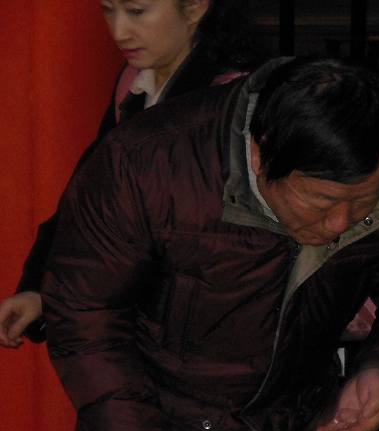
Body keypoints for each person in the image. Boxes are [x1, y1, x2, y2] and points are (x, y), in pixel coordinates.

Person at [41, 57, 379, 431]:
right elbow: (86, 318)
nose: (340, 223)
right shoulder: (144, 164)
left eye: (364, 203)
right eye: (322, 202)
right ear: (260, 156)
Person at [0, 0, 265, 349]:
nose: (118, 31)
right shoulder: (133, 84)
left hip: (210, 338)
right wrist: (40, 290)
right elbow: (88, 199)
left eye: (136, 11)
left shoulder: (236, 100)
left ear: (196, 6)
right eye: (108, 9)